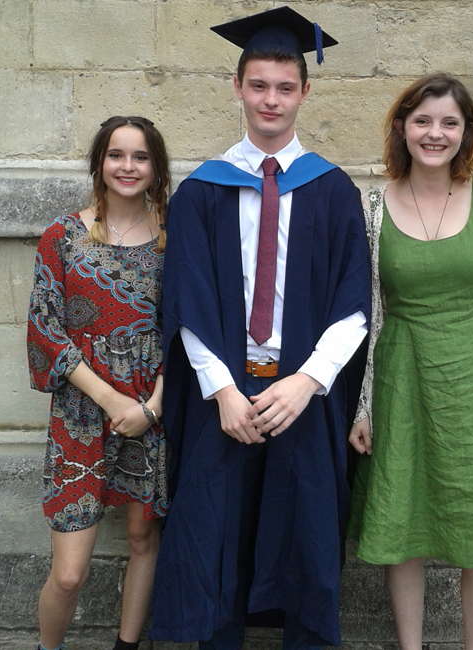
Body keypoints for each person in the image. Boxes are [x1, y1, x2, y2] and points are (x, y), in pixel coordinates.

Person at [150, 7, 371, 649]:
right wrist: (220, 390)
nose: (270, 99)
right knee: (215, 535)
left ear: (305, 91)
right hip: (225, 394)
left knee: (306, 537)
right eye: (258, 85)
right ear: (238, 88)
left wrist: (308, 382)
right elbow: (185, 301)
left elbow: (354, 304)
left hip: (302, 393)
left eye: (284, 86)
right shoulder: (202, 191)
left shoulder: (331, 191)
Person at [347, 73, 473, 650]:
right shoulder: (373, 206)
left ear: (466, 132)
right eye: (423, 121)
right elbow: (370, 315)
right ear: (402, 127)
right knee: (401, 516)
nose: (435, 133)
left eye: (449, 122)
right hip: (401, 379)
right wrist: (362, 405)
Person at [27, 115, 171, 650]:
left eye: (140, 156)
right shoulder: (63, 237)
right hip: (82, 416)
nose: (128, 167)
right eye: (116, 155)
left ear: (156, 167)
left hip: (150, 412)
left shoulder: (172, 241)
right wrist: (113, 400)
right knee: (68, 573)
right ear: (99, 163)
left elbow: (187, 335)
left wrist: (152, 408)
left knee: (141, 538)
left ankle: (126, 646)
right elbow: (46, 331)